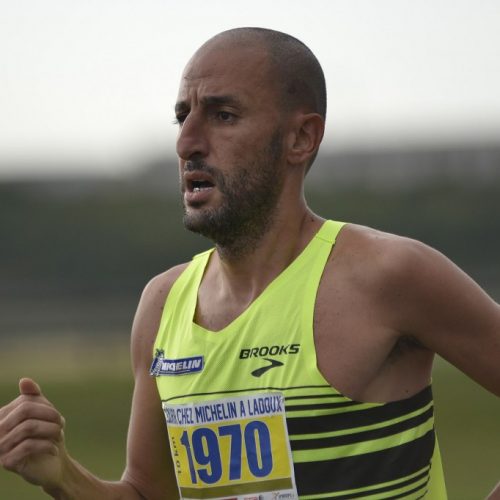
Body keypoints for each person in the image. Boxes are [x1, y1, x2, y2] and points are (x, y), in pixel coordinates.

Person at [0, 27, 499, 500]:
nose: (187, 143)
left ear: (301, 138)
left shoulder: (388, 275)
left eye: (223, 115)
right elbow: (147, 494)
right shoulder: (162, 306)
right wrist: (63, 476)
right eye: (182, 117)